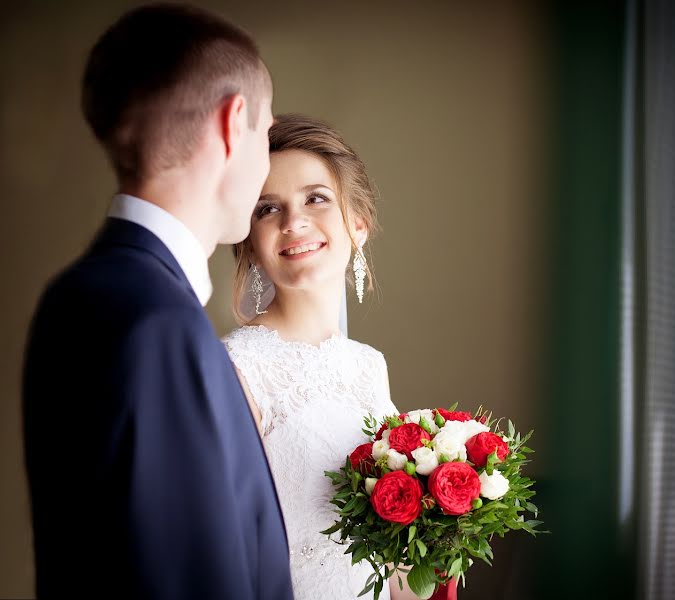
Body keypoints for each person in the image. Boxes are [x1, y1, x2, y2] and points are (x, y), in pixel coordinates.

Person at [22, 4, 293, 598]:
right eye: (266, 134)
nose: (266, 161)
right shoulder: (156, 323)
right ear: (233, 122)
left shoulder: (80, 293)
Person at [223, 114, 420, 599]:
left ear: (359, 224)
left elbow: (389, 559)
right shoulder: (234, 368)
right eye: (268, 209)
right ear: (251, 242)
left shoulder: (369, 366)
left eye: (316, 198)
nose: (294, 222)